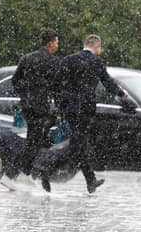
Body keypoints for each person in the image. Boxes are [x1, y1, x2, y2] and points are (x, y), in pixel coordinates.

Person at [51, 34, 128, 193]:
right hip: (86, 109)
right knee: (77, 145)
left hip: (70, 109)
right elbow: (107, 82)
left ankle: (90, 180)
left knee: (79, 144)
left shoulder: (68, 59)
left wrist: (61, 104)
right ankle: (46, 170)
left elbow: (56, 84)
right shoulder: (97, 62)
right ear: (96, 47)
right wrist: (121, 93)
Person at [10, 28, 60, 186]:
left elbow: (15, 80)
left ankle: (25, 173)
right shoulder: (53, 62)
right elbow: (57, 86)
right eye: (57, 42)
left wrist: (25, 94)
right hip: (41, 107)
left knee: (33, 140)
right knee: (32, 143)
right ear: (51, 43)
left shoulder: (27, 58)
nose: (57, 46)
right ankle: (10, 175)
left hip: (27, 105)